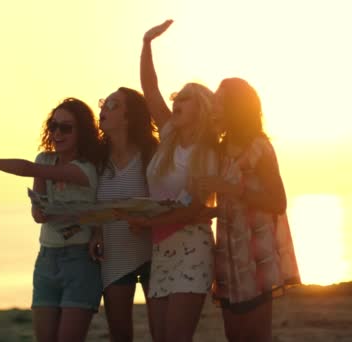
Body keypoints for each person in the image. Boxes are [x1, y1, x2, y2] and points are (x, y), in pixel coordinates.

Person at [0, 97, 104, 342]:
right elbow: (37, 214)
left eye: (66, 127)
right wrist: (40, 211)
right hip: (47, 259)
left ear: (82, 131)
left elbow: (28, 169)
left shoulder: (86, 168)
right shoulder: (45, 159)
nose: (57, 133)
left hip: (80, 260)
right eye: (53, 126)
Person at [115, 19, 220, 342]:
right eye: (179, 97)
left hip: (192, 246)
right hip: (161, 249)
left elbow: (192, 209)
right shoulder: (170, 134)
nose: (178, 101)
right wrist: (146, 45)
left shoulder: (208, 153)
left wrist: (145, 223)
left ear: (201, 108)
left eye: (187, 97)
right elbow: (150, 88)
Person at [199, 78, 301, 342]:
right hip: (228, 256)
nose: (215, 108)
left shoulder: (259, 147)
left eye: (221, 103)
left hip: (256, 256)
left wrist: (234, 190)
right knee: (235, 336)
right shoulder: (219, 151)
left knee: (256, 336)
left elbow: (278, 201)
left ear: (236, 107)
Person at [88, 87, 158, 341]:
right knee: (119, 335)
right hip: (114, 255)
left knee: (162, 334)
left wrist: (148, 222)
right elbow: (93, 203)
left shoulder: (152, 152)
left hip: (154, 253)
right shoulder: (96, 157)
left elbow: (165, 199)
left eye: (112, 105)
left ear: (129, 116)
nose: (103, 109)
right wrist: (95, 231)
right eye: (103, 103)